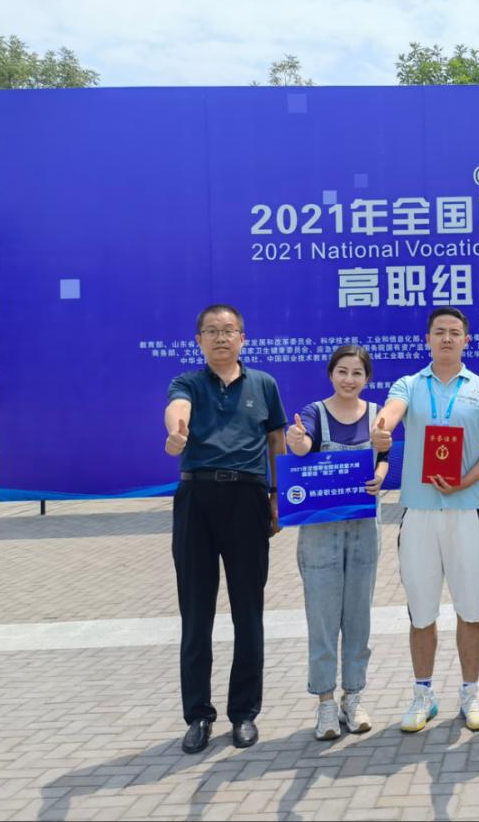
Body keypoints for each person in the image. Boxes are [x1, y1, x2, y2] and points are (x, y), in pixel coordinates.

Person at [371, 307, 479, 733]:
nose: (447, 338)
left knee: (471, 609)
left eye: (454, 332)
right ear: (427, 339)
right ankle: (423, 695)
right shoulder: (409, 385)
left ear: (467, 339)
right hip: (419, 513)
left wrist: (466, 480)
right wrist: (382, 428)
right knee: (421, 612)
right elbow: (392, 412)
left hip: (466, 512)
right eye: (439, 332)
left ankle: (471, 692)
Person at [164, 304, 286, 754]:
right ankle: (198, 714)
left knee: (247, 612)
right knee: (196, 614)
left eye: (228, 330)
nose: (221, 338)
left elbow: (275, 442)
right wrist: (177, 432)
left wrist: (277, 497)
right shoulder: (187, 383)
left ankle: (244, 713)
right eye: (212, 331)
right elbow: (176, 410)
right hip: (196, 500)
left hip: (248, 500)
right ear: (199, 340)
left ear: (242, 338)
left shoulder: (264, 384)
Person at [285, 345, 389, 741]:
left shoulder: (377, 413)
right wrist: (297, 440)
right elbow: (303, 446)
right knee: (324, 618)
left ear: (367, 378)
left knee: (359, 617)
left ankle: (354, 697)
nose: (349, 379)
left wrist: (381, 474)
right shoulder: (314, 413)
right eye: (342, 371)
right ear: (331, 374)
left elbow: (384, 455)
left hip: (363, 527)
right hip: (320, 532)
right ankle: (326, 702)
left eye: (357, 373)